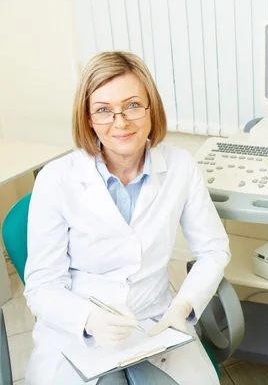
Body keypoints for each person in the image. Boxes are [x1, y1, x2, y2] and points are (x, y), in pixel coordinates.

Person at [23, 51, 230, 384]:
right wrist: (88, 319)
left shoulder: (180, 167)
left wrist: (184, 307)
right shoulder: (56, 179)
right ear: (87, 118)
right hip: (79, 333)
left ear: (151, 110)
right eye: (103, 110)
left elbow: (214, 249)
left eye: (133, 105)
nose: (120, 122)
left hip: (155, 323)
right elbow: (42, 286)